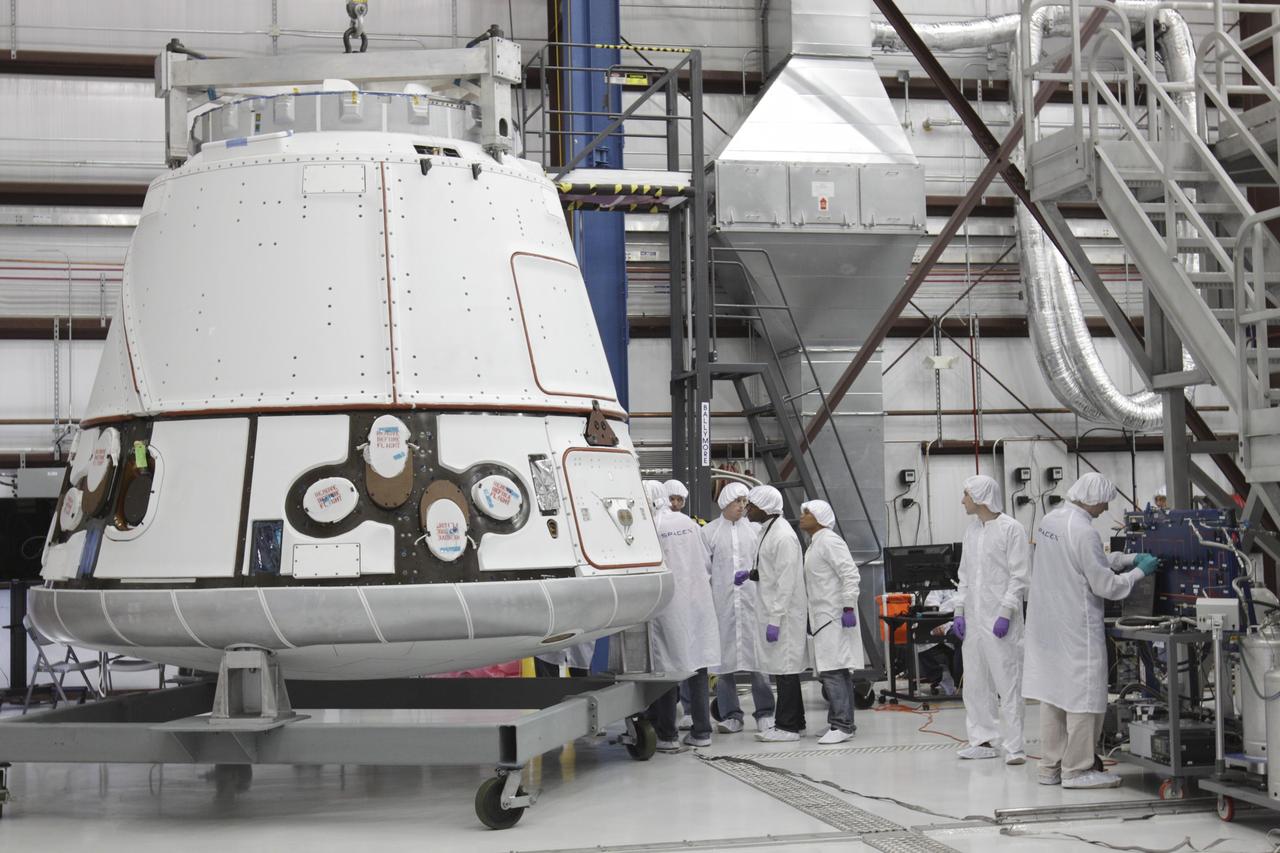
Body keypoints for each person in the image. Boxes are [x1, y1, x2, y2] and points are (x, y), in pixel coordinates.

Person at [1023, 472, 1161, 789]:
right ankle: (1077, 770)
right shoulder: (1083, 530)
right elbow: (1105, 585)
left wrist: (1126, 558)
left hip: (1048, 627)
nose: (1104, 509)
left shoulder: (1051, 521)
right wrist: (1139, 572)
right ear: (1094, 499)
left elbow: (1083, 559)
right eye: (1104, 503)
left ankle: (1050, 767)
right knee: (1084, 698)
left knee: (1053, 695)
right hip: (1077, 627)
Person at [952, 474, 1031, 765]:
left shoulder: (1012, 529)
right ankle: (982, 740)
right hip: (974, 619)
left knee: (1007, 681)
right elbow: (964, 575)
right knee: (975, 682)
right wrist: (959, 611)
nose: (963, 500)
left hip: (1001, 621)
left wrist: (1006, 612)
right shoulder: (972, 531)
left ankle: (1014, 746)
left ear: (981, 497)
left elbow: (1020, 576)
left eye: (966, 494)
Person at [643, 480, 721, 751]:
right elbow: (706, 562)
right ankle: (702, 732)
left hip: (668, 607)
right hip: (697, 603)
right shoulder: (689, 524)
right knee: (697, 666)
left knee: (668, 669)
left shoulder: (652, 526)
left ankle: (667, 736)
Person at [735, 485, 808, 743]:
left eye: (751, 506)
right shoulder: (768, 530)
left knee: (785, 670)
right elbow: (771, 568)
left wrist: (775, 620)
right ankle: (796, 722)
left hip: (783, 614)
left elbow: (786, 582)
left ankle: (787, 727)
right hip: (773, 609)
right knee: (784, 671)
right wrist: (751, 574)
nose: (747, 510)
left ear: (766, 508)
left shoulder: (783, 536)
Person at [704, 482, 775, 733]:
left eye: (745, 502)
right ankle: (731, 715)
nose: (743, 506)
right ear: (725, 502)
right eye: (738, 501)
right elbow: (704, 571)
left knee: (758, 662)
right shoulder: (709, 532)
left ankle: (765, 713)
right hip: (722, 606)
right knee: (724, 666)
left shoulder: (755, 530)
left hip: (752, 604)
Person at [798, 500, 862, 745]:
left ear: (821, 518)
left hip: (834, 615)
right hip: (823, 615)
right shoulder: (816, 543)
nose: (802, 516)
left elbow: (850, 574)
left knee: (834, 670)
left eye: (807, 513)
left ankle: (842, 725)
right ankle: (840, 721)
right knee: (835, 670)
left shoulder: (830, 541)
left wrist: (848, 606)